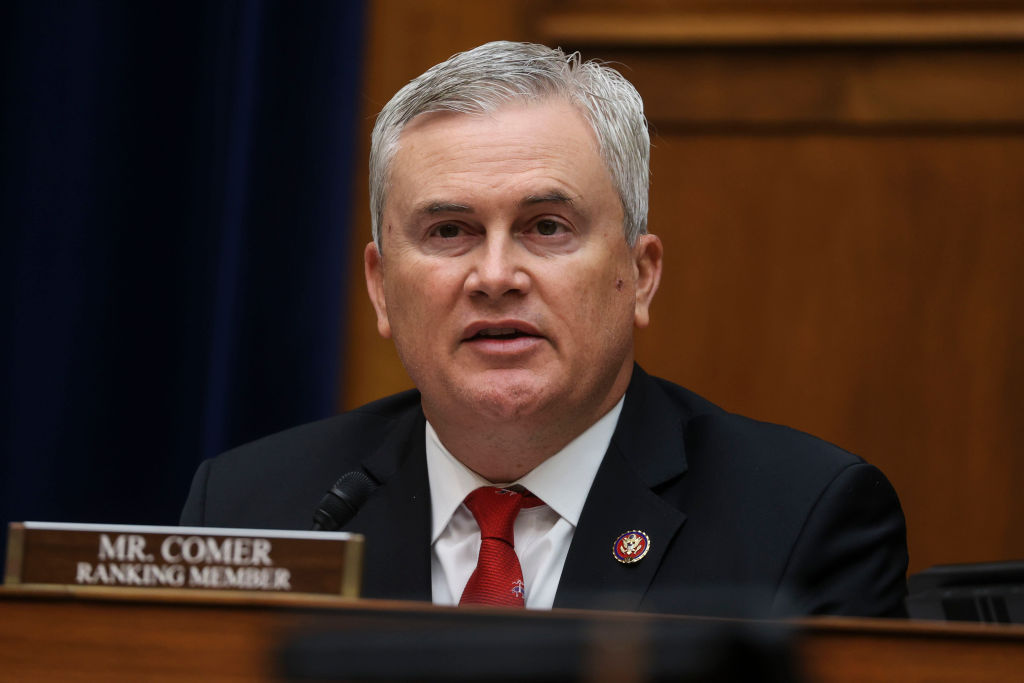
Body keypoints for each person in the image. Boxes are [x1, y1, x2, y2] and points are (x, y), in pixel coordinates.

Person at [181, 41, 908, 617]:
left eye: (547, 227)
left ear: (640, 273)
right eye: (450, 230)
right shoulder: (252, 509)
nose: (495, 275)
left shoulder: (801, 520)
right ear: (380, 287)